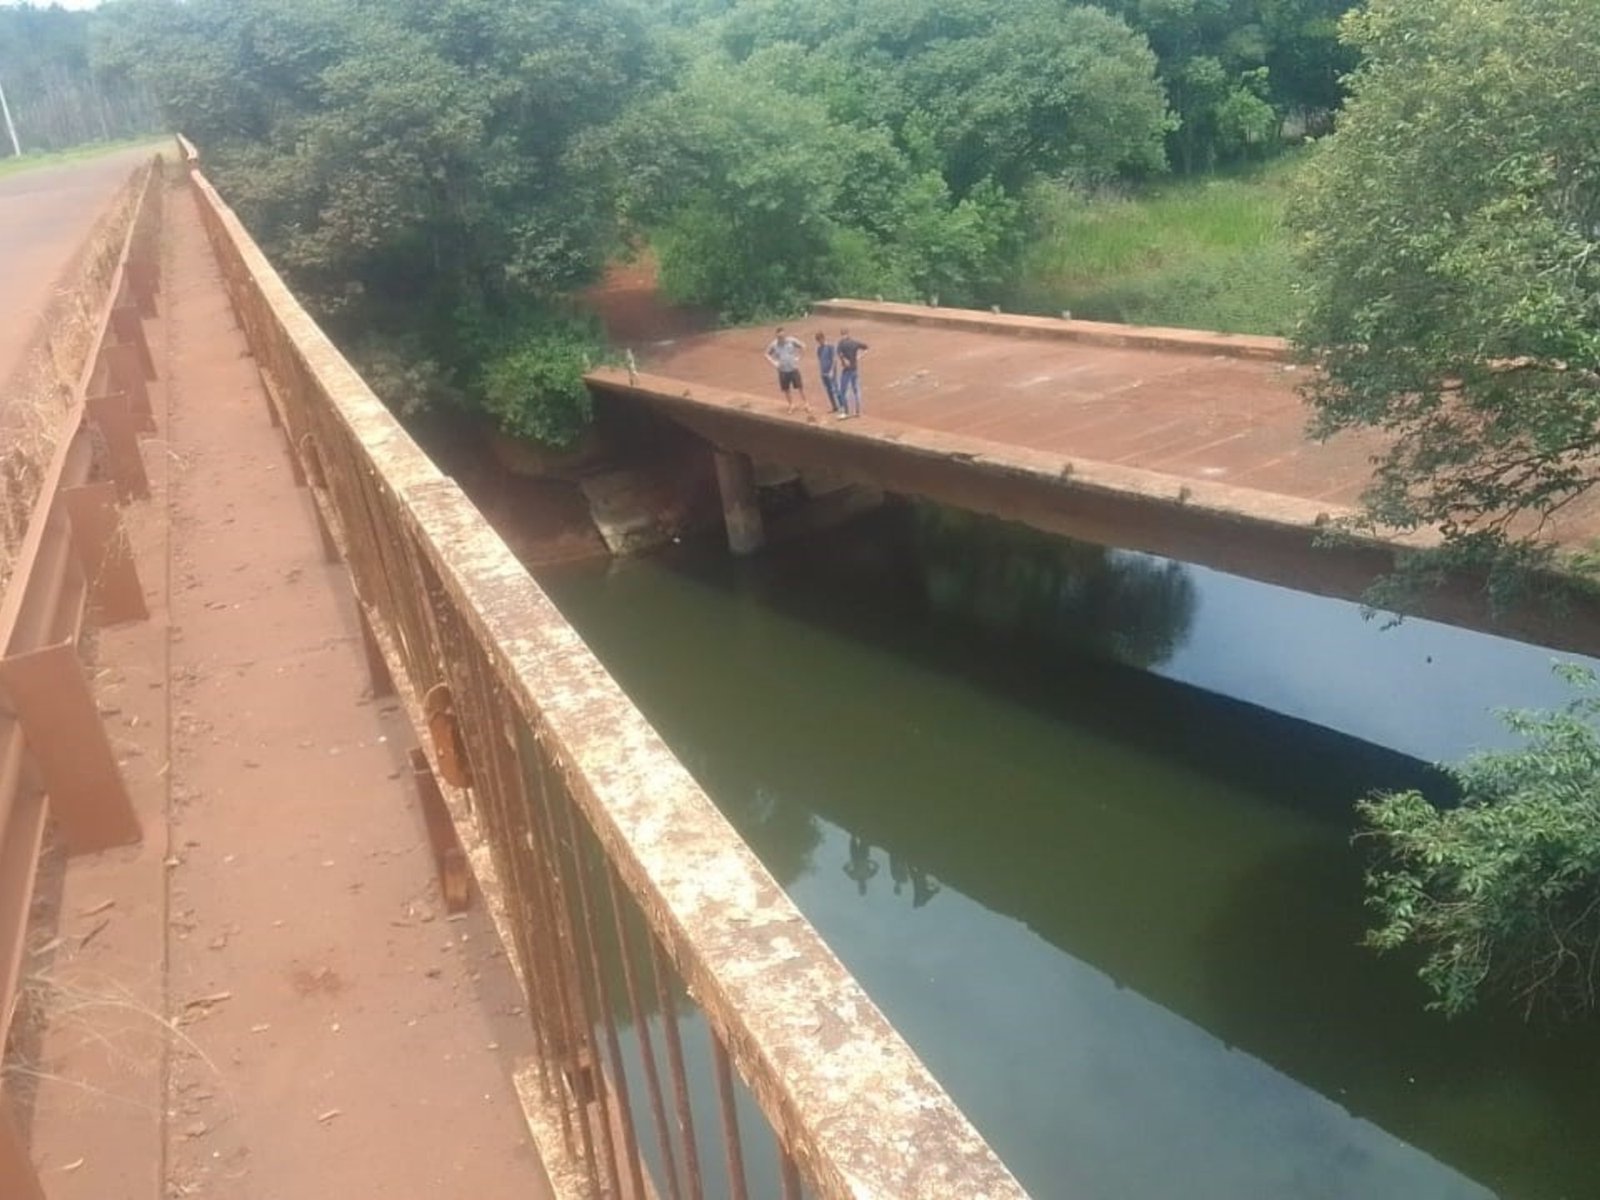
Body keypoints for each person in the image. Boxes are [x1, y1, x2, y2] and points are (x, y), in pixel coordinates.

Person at [763, 326, 814, 420]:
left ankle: (806, 404)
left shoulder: (791, 341)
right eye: (779, 337)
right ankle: (791, 404)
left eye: (782, 336)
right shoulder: (774, 345)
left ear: (785, 335)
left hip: (793, 368)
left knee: (800, 387)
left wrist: (799, 357)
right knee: (786, 389)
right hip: (782, 370)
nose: (781, 338)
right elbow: (766, 354)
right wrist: (774, 362)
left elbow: (803, 346)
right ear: (777, 337)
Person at [836, 328, 869, 417]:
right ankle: (857, 411)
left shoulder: (841, 343)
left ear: (842, 334)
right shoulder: (854, 343)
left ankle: (846, 412)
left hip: (847, 370)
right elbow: (866, 347)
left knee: (843, 391)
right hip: (854, 369)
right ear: (848, 334)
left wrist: (844, 361)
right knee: (856, 390)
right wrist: (859, 357)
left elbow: (840, 355)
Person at [814, 331, 840, 414]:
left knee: (835, 389)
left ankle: (842, 406)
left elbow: (834, 359)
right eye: (818, 340)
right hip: (824, 373)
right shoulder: (819, 349)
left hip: (831, 372)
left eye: (820, 339)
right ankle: (834, 406)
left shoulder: (830, 347)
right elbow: (820, 360)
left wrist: (832, 370)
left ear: (823, 338)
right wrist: (822, 372)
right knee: (828, 390)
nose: (819, 342)